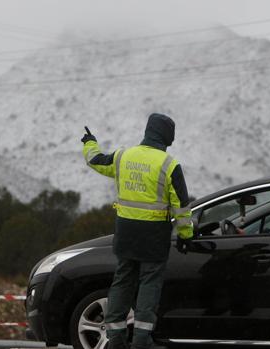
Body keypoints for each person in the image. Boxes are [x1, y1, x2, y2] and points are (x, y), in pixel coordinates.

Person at [81, 113, 194, 349]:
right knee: (149, 285)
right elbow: (182, 207)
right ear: (167, 137)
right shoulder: (169, 165)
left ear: (148, 131)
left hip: (126, 233)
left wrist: (90, 142)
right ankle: (142, 340)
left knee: (122, 282)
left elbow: (96, 160)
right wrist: (186, 235)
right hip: (153, 236)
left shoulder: (124, 156)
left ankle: (115, 339)